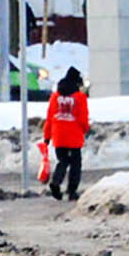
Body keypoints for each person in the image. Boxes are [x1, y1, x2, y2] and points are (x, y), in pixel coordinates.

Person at [43, 66, 90, 200]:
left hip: (58, 135)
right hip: (74, 136)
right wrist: (85, 129)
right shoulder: (79, 97)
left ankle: (56, 182)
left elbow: (50, 117)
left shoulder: (55, 96)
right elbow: (82, 118)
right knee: (76, 164)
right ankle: (71, 191)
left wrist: (47, 137)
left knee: (62, 161)